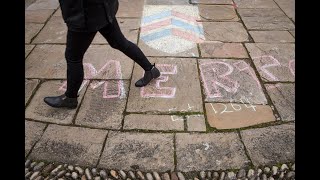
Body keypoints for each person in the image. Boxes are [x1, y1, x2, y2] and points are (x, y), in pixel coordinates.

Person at [44, 0, 160, 109]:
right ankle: (150, 70)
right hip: (103, 8)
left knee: (73, 57)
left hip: (83, 14)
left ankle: (70, 98)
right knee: (120, 43)